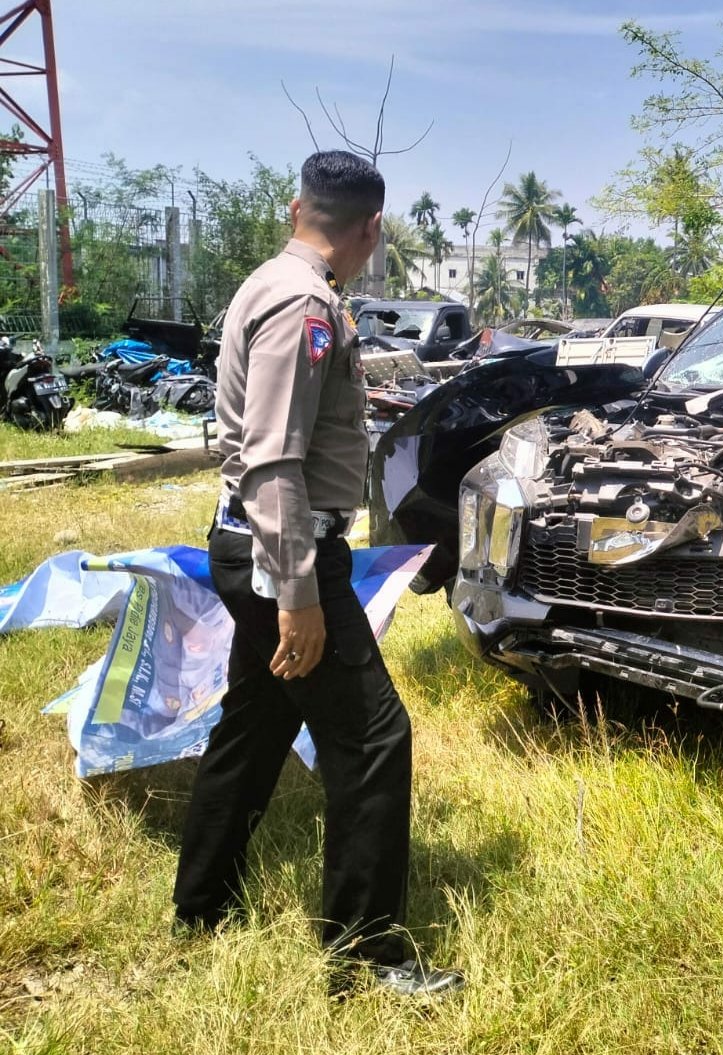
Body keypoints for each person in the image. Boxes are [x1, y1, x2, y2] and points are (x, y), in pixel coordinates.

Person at [172, 150, 463, 998]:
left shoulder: (270, 282)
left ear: (295, 206)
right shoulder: (307, 304)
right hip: (283, 559)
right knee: (374, 740)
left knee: (255, 726)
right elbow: (271, 464)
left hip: (257, 548)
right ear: (372, 229)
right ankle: (366, 960)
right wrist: (298, 594)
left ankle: (202, 905)